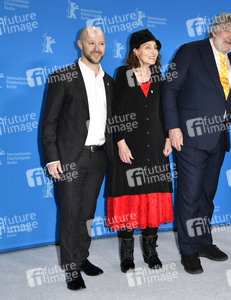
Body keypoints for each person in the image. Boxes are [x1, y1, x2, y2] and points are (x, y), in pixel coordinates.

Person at [161, 13, 231, 274]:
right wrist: (172, 127)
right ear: (214, 31)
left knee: (207, 195)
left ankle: (204, 242)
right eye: (227, 31)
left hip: (218, 139)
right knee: (190, 195)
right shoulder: (189, 51)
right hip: (190, 138)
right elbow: (169, 89)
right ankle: (189, 250)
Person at [41, 26, 114, 290]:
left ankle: (82, 258)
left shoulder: (109, 81)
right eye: (91, 43)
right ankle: (71, 267)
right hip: (71, 157)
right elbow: (49, 123)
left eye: (102, 43)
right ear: (80, 45)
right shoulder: (63, 77)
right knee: (71, 213)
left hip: (100, 157)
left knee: (87, 213)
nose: (97, 48)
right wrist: (52, 158)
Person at [107, 29, 174, 273]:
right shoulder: (123, 74)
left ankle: (151, 251)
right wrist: (120, 140)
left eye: (156, 48)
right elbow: (115, 110)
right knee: (129, 199)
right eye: (148, 47)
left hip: (156, 147)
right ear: (135, 50)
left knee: (152, 199)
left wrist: (168, 137)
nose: (154, 52)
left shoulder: (159, 75)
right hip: (130, 146)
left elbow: (166, 111)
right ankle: (127, 256)